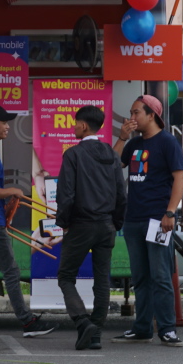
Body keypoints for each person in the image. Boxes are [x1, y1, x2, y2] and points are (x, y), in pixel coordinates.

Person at [0, 104, 56, 337]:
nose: (8, 126)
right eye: (4, 122)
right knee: (12, 273)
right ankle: (27, 322)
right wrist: (13, 191)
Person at [111, 95, 183, 347]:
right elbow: (112, 167)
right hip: (133, 219)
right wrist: (122, 137)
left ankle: (167, 329)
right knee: (140, 278)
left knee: (161, 276)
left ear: (151, 115)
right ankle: (142, 328)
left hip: (158, 219)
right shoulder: (133, 144)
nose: (131, 117)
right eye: (131, 113)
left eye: (136, 113)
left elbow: (179, 178)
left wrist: (170, 212)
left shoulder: (167, 142)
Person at [56, 106, 127, 351]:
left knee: (66, 276)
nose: (73, 126)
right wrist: (116, 223)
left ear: (84, 126)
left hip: (81, 225)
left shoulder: (72, 154)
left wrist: (64, 223)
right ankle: (95, 333)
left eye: (75, 123)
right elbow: (121, 193)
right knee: (102, 279)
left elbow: (66, 195)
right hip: (106, 225)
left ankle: (82, 322)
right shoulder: (111, 154)